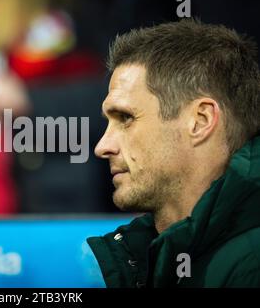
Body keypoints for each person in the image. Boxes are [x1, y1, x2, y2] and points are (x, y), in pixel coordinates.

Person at [88, 19, 260, 287]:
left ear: (200, 121)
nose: (102, 146)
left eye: (125, 118)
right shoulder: (154, 255)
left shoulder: (250, 266)